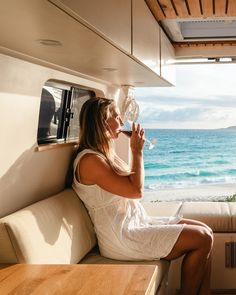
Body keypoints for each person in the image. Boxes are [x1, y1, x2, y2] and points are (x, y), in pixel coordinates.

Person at [72, 97, 213, 295]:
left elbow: (131, 184)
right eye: (116, 116)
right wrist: (136, 151)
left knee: (205, 230)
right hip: (122, 237)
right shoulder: (89, 161)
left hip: (138, 223)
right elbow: (136, 191)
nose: (122, 122)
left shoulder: (104, 155)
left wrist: (137, 151)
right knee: (201, 238)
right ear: (101, 122)